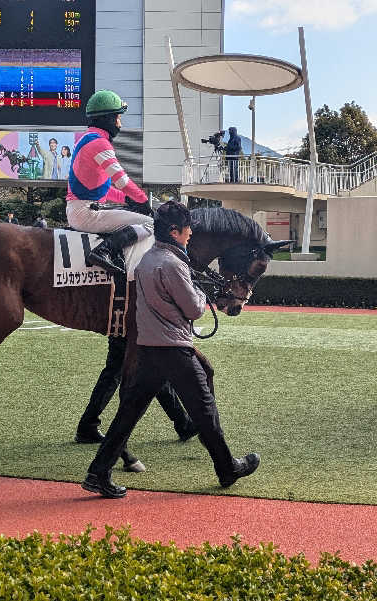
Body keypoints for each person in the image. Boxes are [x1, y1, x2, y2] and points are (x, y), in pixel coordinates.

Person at [82, 201, 260, 498]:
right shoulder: (173, 264)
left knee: (128, 413)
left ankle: (98, 472)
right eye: (188, 228)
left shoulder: (147, 260)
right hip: (173, 349)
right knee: (204, 408)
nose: (191, 233)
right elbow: (194, 309)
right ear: (175, 232)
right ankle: (227, 467)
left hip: (150, 348)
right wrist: (202, 295)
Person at [67, 89, 154, 275]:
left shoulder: (86, 139)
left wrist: (127, 200)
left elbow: (104, 190)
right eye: (118, 118)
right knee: (151, 223)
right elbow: (121, 181)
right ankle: (103, 251)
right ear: (108, 119)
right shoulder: (100, 143)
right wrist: (142, 200)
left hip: (80, 209)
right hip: (86, 213)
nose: (120, 124)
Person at [75, 334, 198, 444]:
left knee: (113, 374)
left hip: (119, 324)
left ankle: (88, 424)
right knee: (154, 371)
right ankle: (183, 423)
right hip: (136, 327)